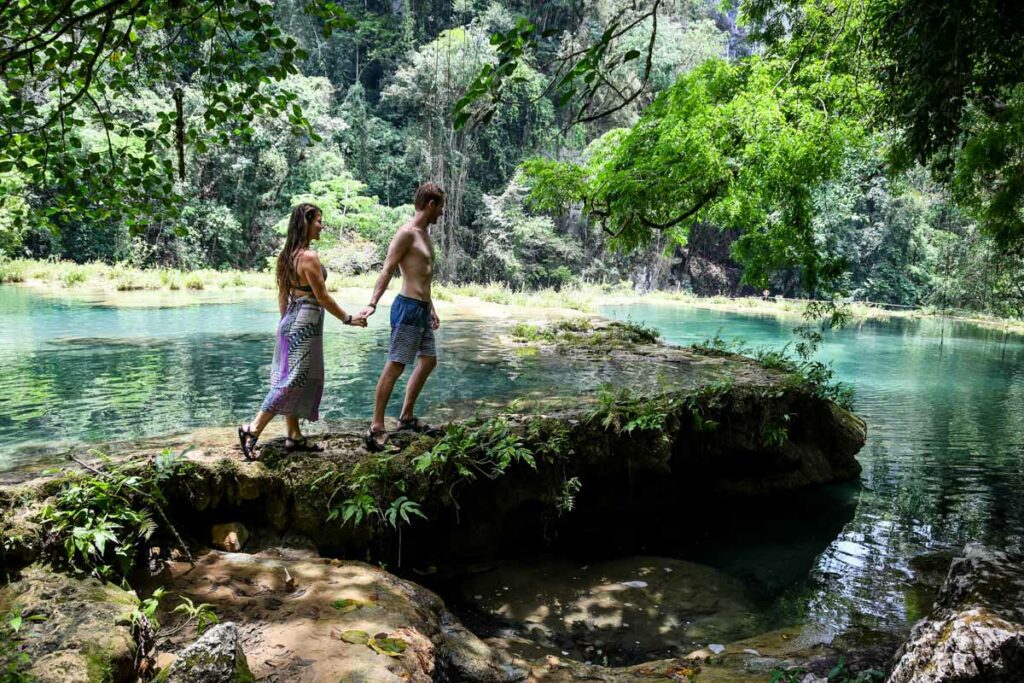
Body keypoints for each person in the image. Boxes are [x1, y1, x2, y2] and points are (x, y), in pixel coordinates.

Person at [238, 203, 368, 460]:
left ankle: (294, 435)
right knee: (294, 380)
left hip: (289, 321)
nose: (321, 225)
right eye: (318, 220)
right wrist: (348, 318)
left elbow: (282, 295)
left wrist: (285, 326)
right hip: (305, 322)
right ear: (306, 223)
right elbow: (322, 297)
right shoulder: (309, 258)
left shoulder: (287, 256)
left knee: (287, 376)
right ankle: (252, 428)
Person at [359, 182, 444, 451]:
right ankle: (376, 427)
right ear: (431, 204)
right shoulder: (407, 233)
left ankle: (406, 417)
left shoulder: (425, 234)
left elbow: (424, 275)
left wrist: (431, 308)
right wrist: (372, 303)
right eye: (441, 206)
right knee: (395, 365)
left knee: (428, 361)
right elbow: (387, 270)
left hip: (421, 308)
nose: (442, 212)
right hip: (406, 307)